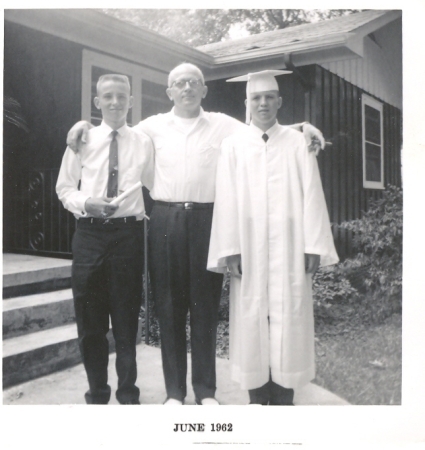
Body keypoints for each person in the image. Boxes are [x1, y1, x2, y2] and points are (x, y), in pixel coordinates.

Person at [66, 63, 325, 406]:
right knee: (169, 308)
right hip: (165, 220)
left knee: (204, 308)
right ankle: (175, 392)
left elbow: (262, 128)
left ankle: (205, 391)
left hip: (208, 220)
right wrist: (82, 125)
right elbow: (115, 127)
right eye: (178, 83)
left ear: (204, 90)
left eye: (194, 83)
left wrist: (303, 127)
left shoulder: (223, 125)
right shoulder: (150, 128)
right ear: (169, 92)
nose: (186, 88)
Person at [207, 70, 339, 405]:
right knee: (251, 313)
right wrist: (230, 250)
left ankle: (284, 394)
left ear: (280, 101)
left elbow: (312, 194)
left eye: (269, 97)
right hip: (247, 246)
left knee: (290, 309)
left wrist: (313, 246)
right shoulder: (233, 145)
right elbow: (225, 199)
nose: (263, 103)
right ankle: (256, 394)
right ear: (247, 103)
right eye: (256, 98)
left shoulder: (298, 143)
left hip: (291, 244)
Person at [56, 74, 154, 404]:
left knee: (126, 322)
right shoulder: (81, 140)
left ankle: (128, 396)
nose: (115, 102)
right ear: (97, 102)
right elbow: (64, 187)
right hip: (89, 235)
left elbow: (157, 185)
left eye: (121, 96)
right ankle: (97, 395)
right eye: (108, 96)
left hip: (127, 235)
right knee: (90, 321)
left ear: (131, 100)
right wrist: (87, 203)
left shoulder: (143, 141)